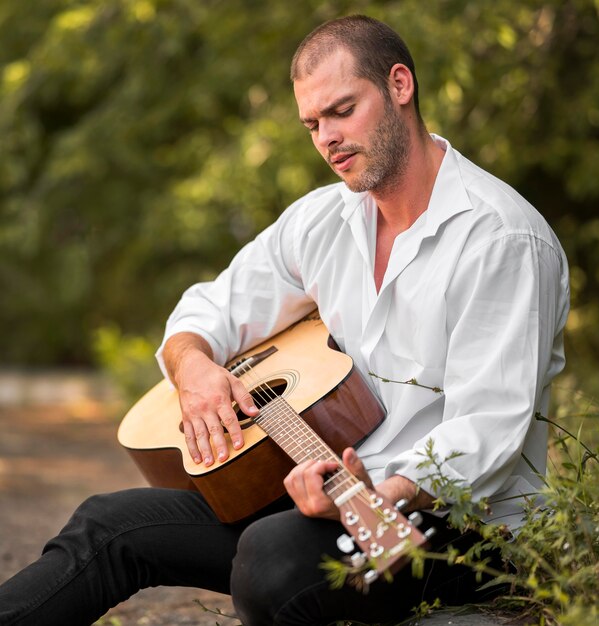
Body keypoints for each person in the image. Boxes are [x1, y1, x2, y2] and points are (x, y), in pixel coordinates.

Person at [0, 14, 569, 626]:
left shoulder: (502, 239)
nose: (327, 138)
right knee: (108, 525)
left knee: (271, 558)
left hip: (454, 530)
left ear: (400, 85)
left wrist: (380, 494)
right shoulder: (323, 221)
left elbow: (488, 430)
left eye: (342, 110)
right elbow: (209, 308)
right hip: (316, 501)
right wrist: (194, 369)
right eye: (312, 123)